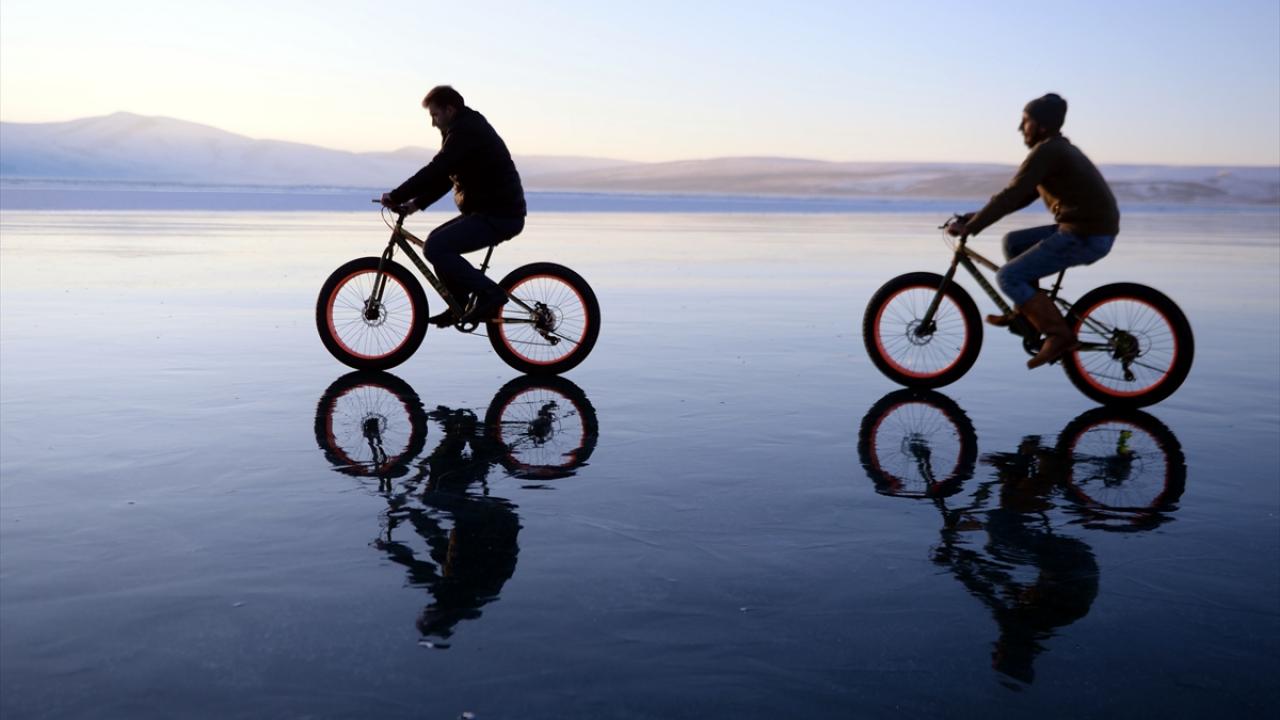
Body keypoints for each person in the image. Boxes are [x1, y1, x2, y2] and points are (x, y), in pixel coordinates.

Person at [947, 93, 1120, 369]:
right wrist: (976, 216)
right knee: (1014, 243)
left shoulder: (1048, 151)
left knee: (1008, 277)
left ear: (1041, 125)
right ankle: (1027, 315)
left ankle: (1058, 335)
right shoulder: (1055, 149)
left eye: (1025, 121)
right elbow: (1025, 195)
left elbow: (1012, 194)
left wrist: (971, 227)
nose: (1020, 128)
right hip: (1087, 227)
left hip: (1085, 234)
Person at [381, 86, 527, 326]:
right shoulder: (460, 129)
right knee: (435, 242)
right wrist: (413, 204)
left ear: (450, 109)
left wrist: (397, 195)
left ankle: (491, 293)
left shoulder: (466, 130)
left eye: (435, 115)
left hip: (499, 215)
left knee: (436, 248)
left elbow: (436, 168)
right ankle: (457, 303)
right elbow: (445, 177)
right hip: (489, 211)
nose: (432, 123)